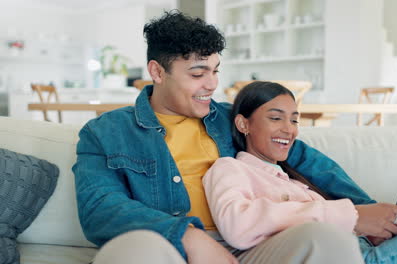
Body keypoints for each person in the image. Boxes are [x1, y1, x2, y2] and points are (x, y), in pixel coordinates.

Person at [73, 10, 365, 264]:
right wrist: (188, 236)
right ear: (158, 72)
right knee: (136, 248)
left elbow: (303, 159)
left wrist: (367, 210)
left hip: (248, 247)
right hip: (166, 246)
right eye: (198, 74)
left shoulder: (233, 119)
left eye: (215, 71)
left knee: (325, 238)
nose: (212, 84)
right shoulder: (105, 132)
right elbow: (100, 207)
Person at [203, 81, 397, 264]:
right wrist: (351, 215)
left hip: (366, 251)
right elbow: (238, 224)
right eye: (276, 118)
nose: (289, 129)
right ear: (242, 123)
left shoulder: (297, 181)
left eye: (294, 120)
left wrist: (396, 227)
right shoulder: (230, 168)